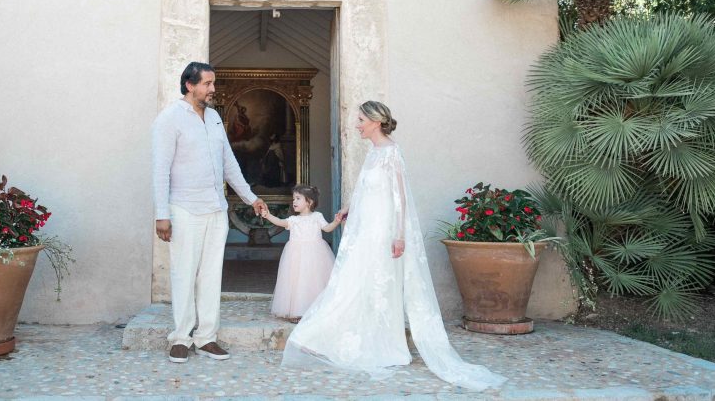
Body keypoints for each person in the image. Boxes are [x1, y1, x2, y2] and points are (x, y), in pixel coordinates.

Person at [281, 101, 507, 391]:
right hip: (365, 230)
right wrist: (348, 207)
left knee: (378, 285)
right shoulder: (373, 153)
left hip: (383, 231)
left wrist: (399, 235)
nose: (357, 124)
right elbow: (364, 188)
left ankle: (385, 345)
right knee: (353, 281)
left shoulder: (391, 152)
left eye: (361, 119)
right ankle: (330, 337)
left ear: (375, 121)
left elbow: (399, 197)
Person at [152, 61, 267, 364]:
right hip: (184, 208)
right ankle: (180, 338)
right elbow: (160, 170)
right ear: (190, 85)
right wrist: (161, 214)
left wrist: (250, 197)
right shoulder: (169, 119)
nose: (213, 89)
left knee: (211, 275)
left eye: (213, 83)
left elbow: (229, 163)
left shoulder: (215, 118)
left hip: (217, 209)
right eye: (207, 84)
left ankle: (206, 338)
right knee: (184, 273)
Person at [259, 185, 341, 321]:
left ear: (309, 202)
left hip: (316, 254)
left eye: (298, 199)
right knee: (297, 282)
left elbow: (327, 228)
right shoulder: (293, 220)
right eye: (293, 199)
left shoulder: (317, 216)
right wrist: (268, 215)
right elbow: (280, 222)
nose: (294, 202)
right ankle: (297, 311)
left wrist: (336, 222)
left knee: (314, 280)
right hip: (296, 255)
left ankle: (316, 309)